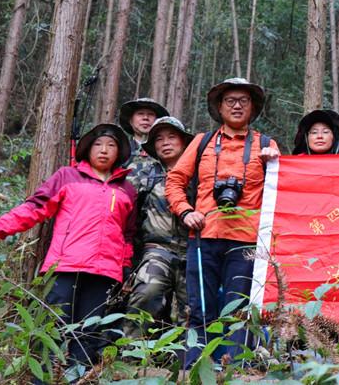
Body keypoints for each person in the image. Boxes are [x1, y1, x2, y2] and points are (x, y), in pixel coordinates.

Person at [0, 124, 137, 375]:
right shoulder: (67, 176)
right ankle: (41, 379)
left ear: (119, 152)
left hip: (105, 271)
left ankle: (76, 379)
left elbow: (128, 235)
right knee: (51, 327)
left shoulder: (127, 189)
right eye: (98, 145)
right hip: (65, 265)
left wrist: (125, 267)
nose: (104, 150)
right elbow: (35, 208)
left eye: (111, 146)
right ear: (87, 149)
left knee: (89, 332)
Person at [165, 78, 280, 367]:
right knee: (200, 308)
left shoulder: (266, 145)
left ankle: (235, 371)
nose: (237, 105)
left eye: (244, 100)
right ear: (219, 107)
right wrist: (185, 211)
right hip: (203, 237)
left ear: (253, 108)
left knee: (239, 310)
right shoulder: (202, 142)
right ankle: (195, 369)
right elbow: (175, 180)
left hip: (246, 242)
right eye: (230, 101)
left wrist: (276, 164)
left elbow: (282, 190)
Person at [123, 116, 193, 338]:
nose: (165, 143)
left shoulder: (200, 174)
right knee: (147, 293)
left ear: (183, 142)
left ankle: (188, 362)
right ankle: (131, 354)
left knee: (192, 307)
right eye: (159, 139)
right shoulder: (143, 174)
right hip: (156, 249)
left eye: (172, 137)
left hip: (193, 249)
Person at [119, 97, 169, 162]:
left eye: (150, 114)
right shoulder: (120, 150)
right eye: (140, 114)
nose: (145, 118)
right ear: (131, 121)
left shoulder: (167, 149)